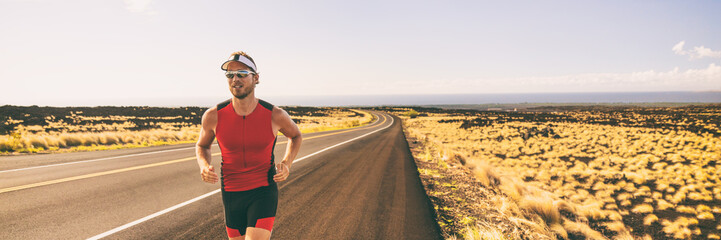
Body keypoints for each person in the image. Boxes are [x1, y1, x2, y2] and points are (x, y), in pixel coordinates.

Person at [195, 51, 302, 240]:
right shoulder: (213, 116)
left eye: (242, 74)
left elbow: (296, 135)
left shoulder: (274, 115)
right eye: (230, 75)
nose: (235, 79)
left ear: (256, 78)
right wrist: (204, 165)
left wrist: (286, 163)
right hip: (231, 193)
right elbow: (202, 146)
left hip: (263, 190)